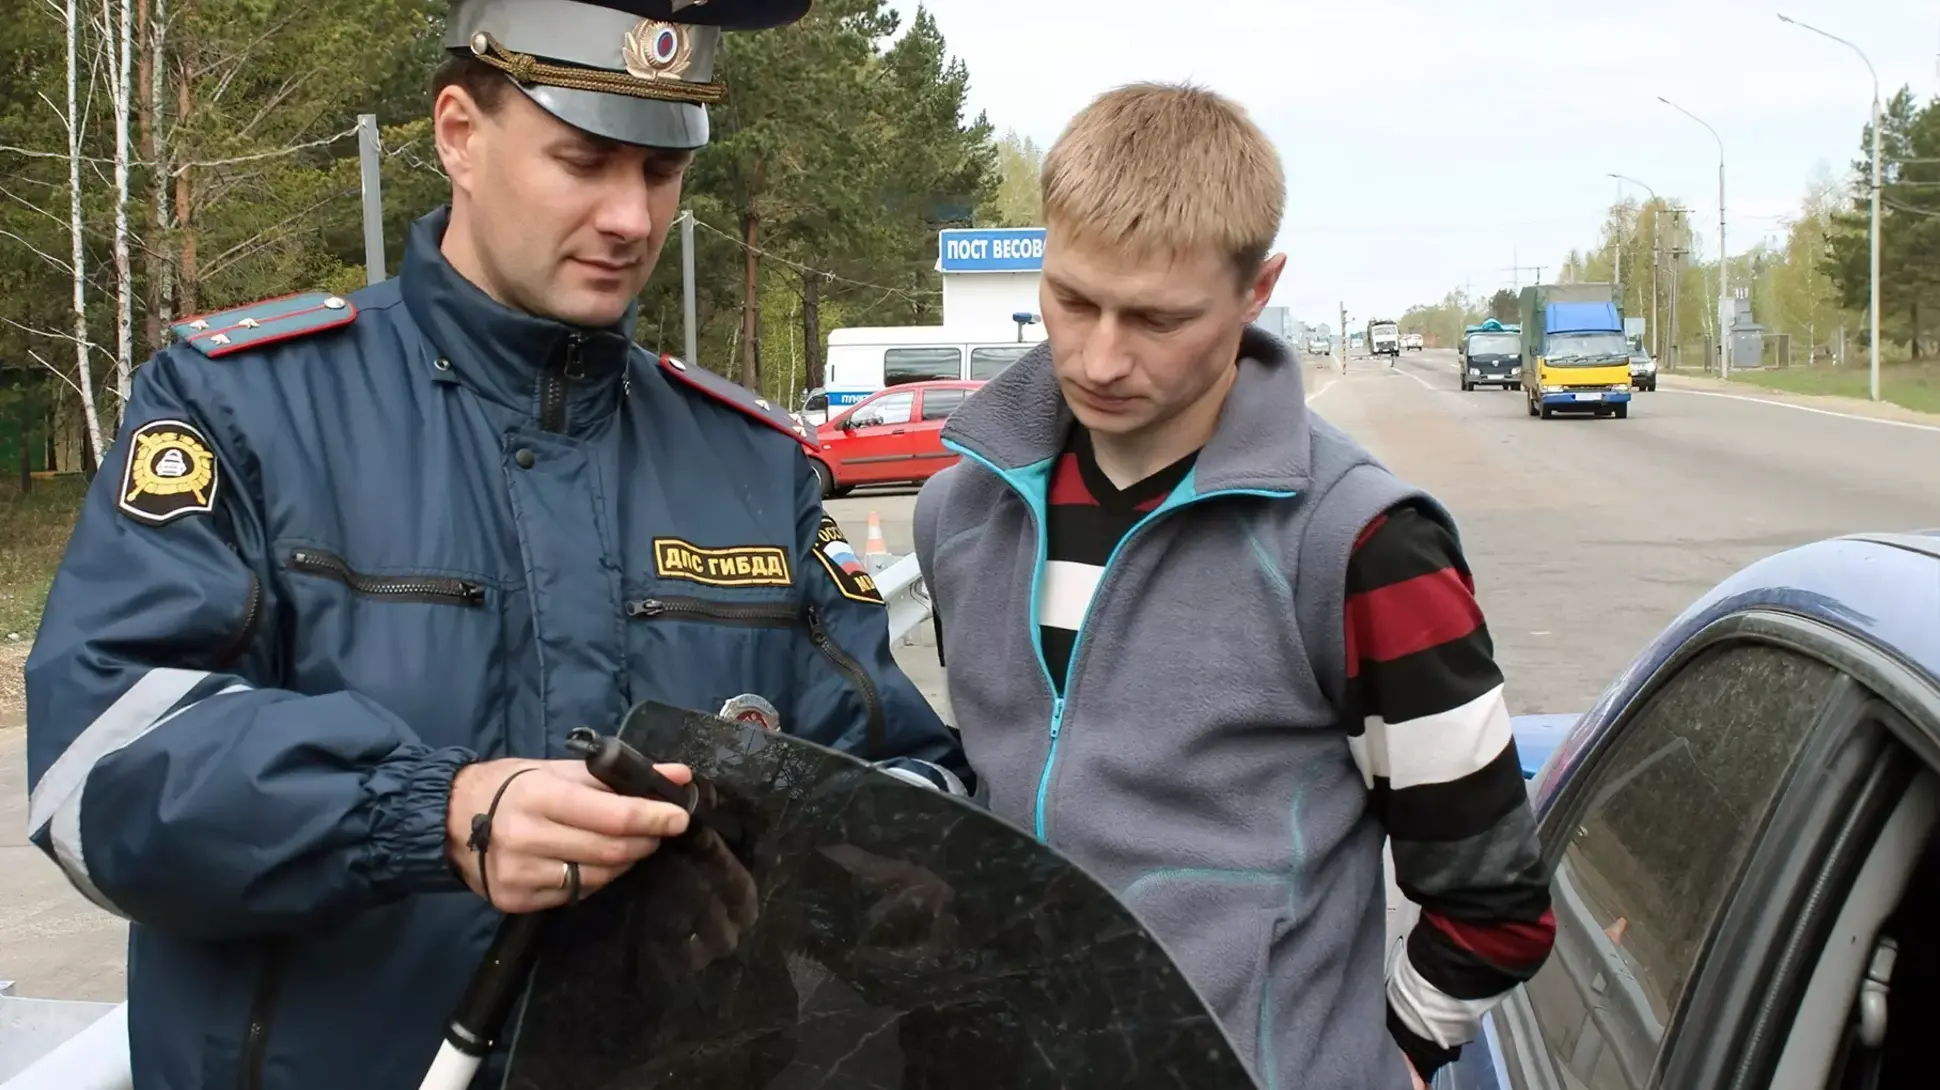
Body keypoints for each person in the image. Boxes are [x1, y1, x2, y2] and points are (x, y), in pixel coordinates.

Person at [23, 1, 969, 1087]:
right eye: (584, 160)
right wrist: (435, 810)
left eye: (661, 173)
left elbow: (892, 776)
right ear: (457, 134)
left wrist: (866, 870)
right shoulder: (247, 408)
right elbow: (103, 765)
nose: (630, 217)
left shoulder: (750, 465)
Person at [913, 82, 1555, 1089]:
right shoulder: (958, 513)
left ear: (1257, 290)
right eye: (1071, 299)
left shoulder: (1364, 546)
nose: (1099, 355)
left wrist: (1383, 1060)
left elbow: (1494, 905)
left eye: (1157, 317)